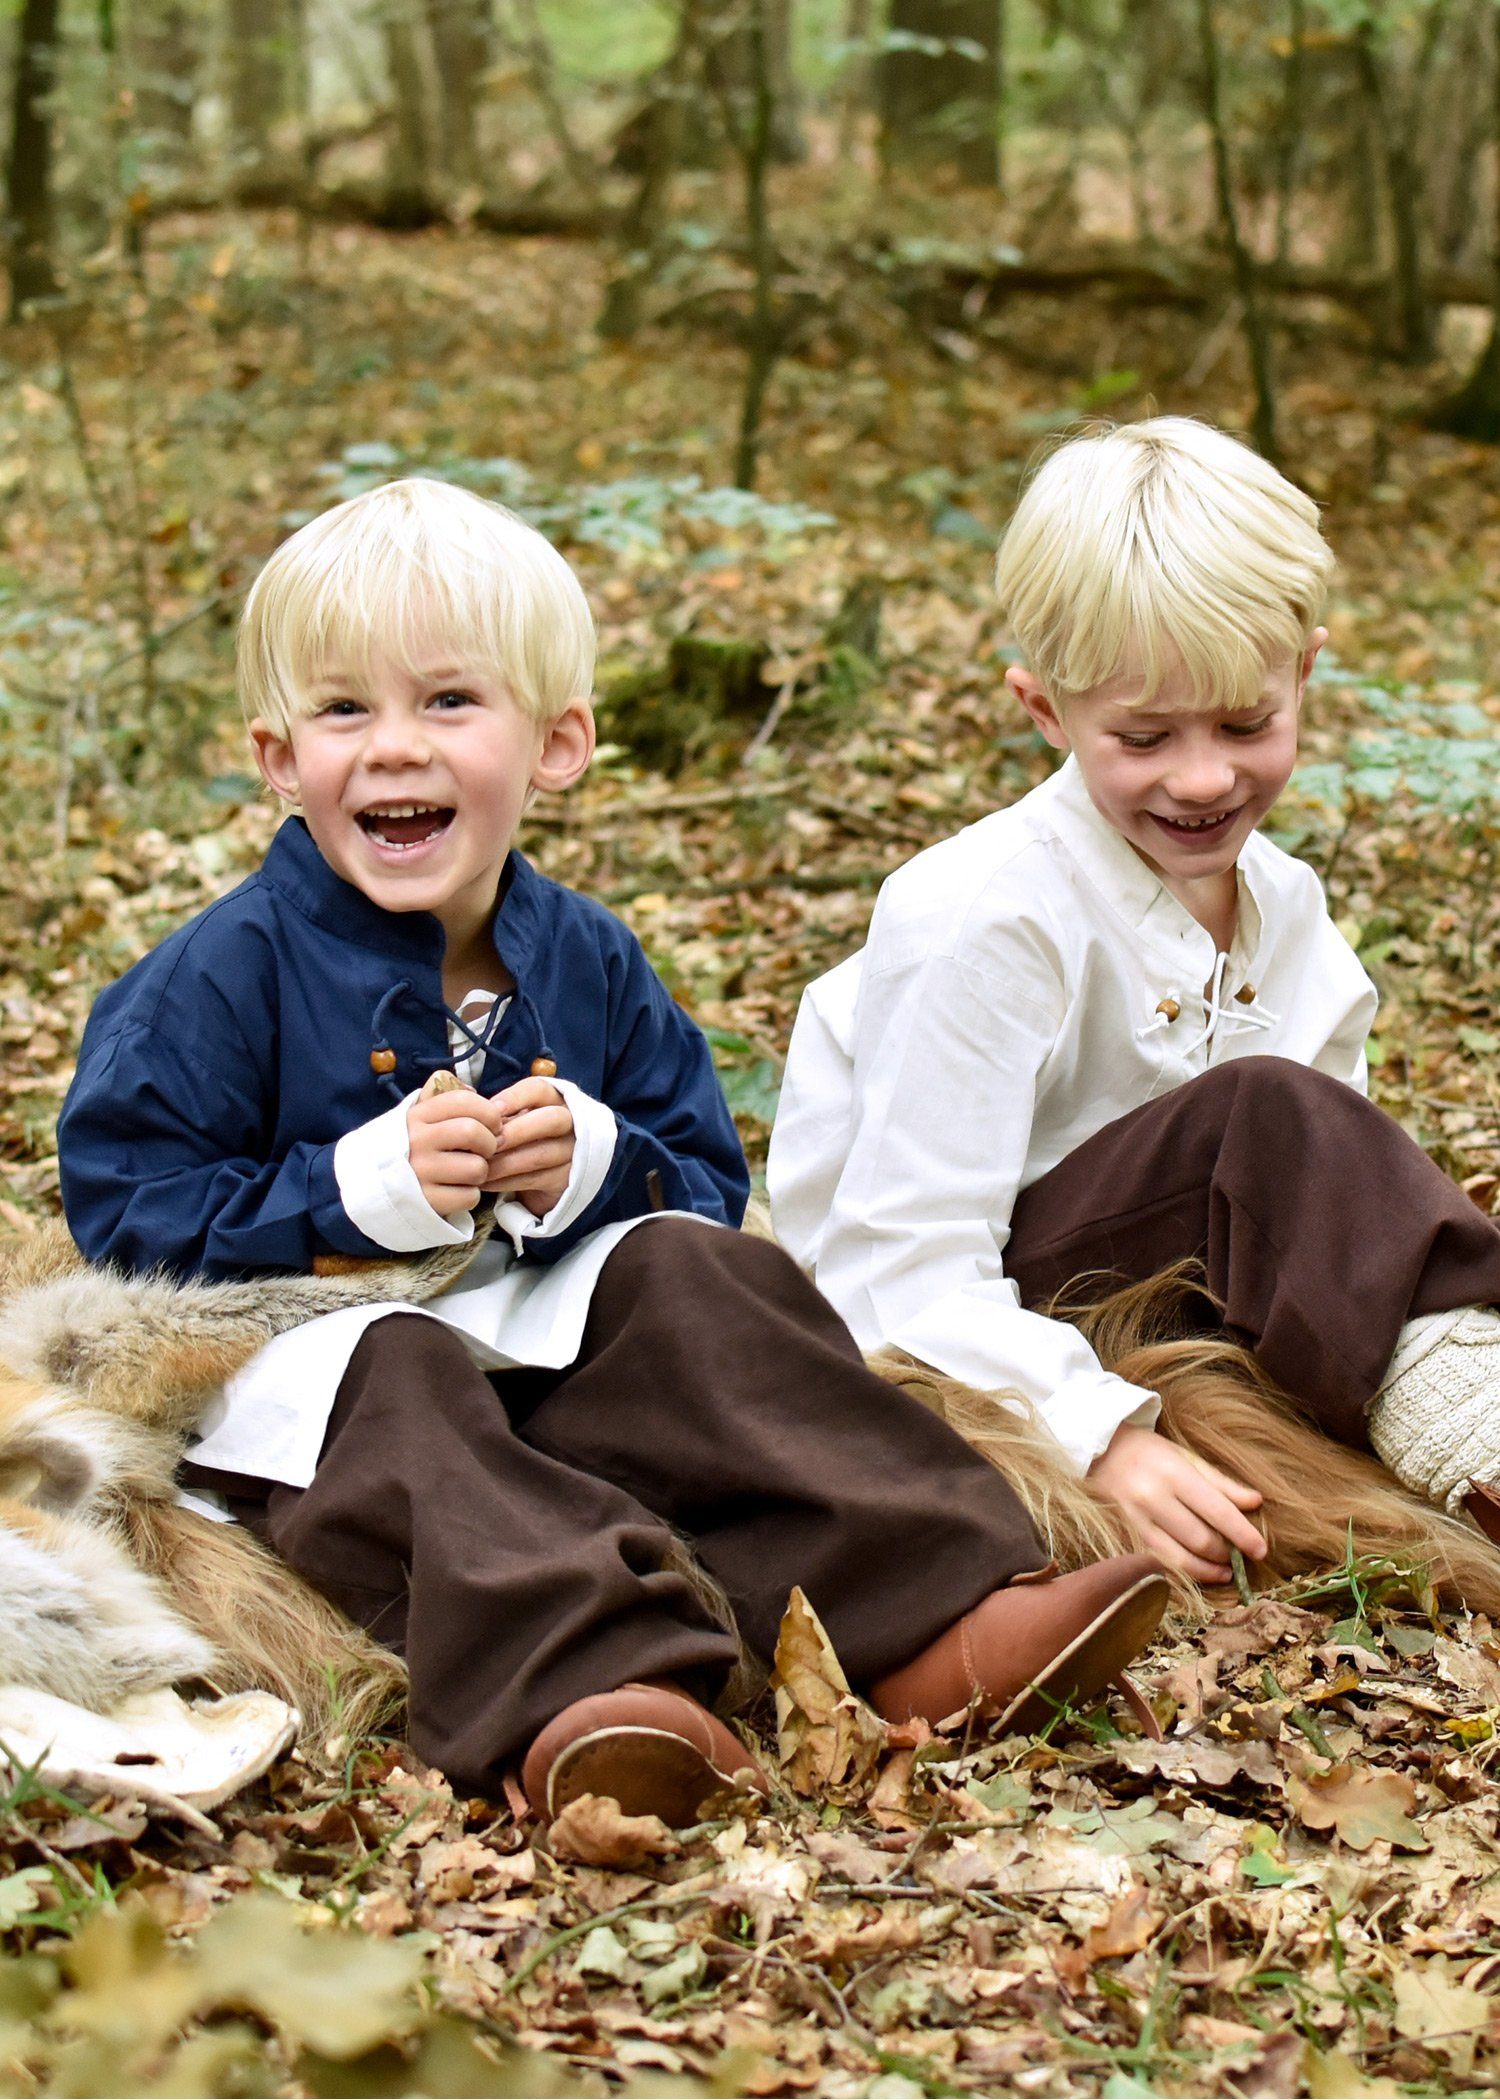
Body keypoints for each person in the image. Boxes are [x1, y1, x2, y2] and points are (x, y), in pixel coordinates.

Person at [56, 477, 1168, 1827]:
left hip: (540, 1324)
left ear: (558, 745)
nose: (395, 749)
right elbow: (125, 1212)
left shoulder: (585, 957)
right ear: (281, 758)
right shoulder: (217, 976)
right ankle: (602, 1686)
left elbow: (704, 1176)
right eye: (345, 711)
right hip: (315, 1363)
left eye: (449, 702)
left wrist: (596, 1165)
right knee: (401, 1370)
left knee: (703, 1276)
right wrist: (342, 1190)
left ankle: (935, 1605)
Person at [768, 416, 1500, 1587]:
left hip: (1195, 1313)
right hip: (998, 1315)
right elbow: (895, 1269)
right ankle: (1474, 1429)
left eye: (1247, 724)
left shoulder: (1290, 908)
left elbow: (1329, 1220)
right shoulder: (985, 915)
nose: (1204, 778)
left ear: (1304, 673)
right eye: (1145, 735)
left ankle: (1458, 1401)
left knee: (1302, 1127)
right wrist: (1098, 1436)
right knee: (1268, 1112)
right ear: (1046, 712)